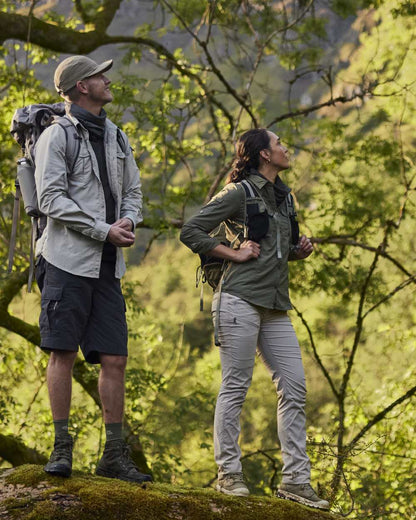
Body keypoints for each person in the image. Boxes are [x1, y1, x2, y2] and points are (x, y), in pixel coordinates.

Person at [180, 128, 329, 510]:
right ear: (264, 154)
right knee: (236, 386)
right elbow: (191, 231)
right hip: (238, 300)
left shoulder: (285, 197)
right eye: (279, 144)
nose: (285, 148)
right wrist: (233, 253)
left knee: (294, 387)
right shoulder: (238, 193)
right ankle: (229, 475)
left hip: (275, 306)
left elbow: (276, 249)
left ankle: (296, 482)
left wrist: (299, 251)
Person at [34, 55, 152, 483]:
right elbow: (50, 199)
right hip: (65, 261)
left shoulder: (117, 135)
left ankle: (114, 457)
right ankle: (61, 448)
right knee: (62, 352)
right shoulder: (57, 136)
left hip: (107, 266)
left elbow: (134, 190)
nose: (107, 80)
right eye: (100, 75)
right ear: (82, 86)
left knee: (115, 358)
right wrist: (104, 230)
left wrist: (129, 220)